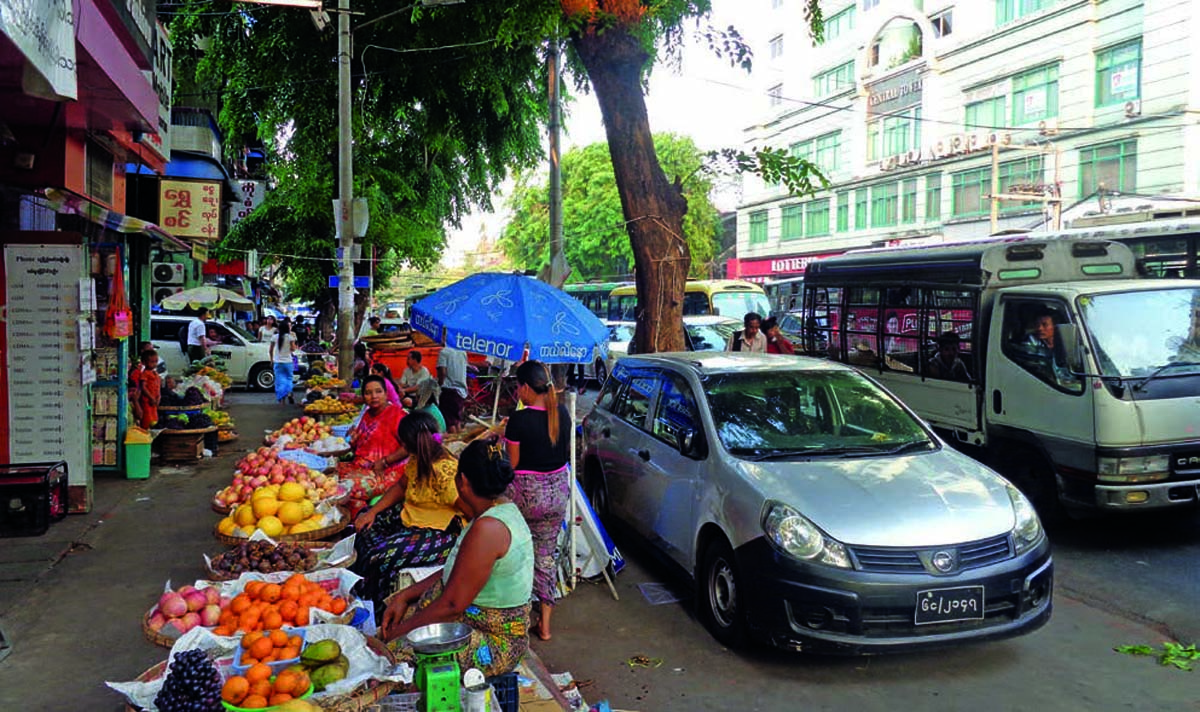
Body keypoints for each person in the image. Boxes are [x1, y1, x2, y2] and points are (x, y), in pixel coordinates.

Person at [382, 435, 533, 677]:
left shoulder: (488, 529)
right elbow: (458, 570)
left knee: (395, 661)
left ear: (462, 481)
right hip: (466, 620)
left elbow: (453, 605)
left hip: (493, 642)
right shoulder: (497, 509)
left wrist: (397, 637)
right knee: (397, 621)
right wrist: (405, 596)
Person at [353, 411, 463, 614]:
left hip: (442, 531)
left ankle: (377, 610)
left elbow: (468, 510)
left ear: (408, 444)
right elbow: (401, 487)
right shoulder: (417, 459)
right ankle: (361, 588)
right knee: (363, 520)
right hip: (411, 518)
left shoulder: (446, 471)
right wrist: (373, 512)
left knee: (381, 556)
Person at [502, 360, 570, 641]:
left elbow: (513, 465)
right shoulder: (562, 413)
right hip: (557, 493)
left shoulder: (518, 420)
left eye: (518, 388)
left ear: (527, 387)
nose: (517, 393)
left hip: (527, 496)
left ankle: (515, 617)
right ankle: (545, 626)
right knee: (545, 556)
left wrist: (502, 442)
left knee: (516, 553)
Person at [339, 375, 408, 516]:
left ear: (386, 393)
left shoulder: (397, 415)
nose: (374, 396)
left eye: (378, 391)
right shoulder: (367, 414)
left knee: (343, 488)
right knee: (330, 474)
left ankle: (361, 520)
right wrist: (353, 442)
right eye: (368, 393)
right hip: (362, 467)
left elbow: (409, 446)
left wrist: (385, 461)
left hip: (388, 472)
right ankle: (360, 522)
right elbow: (362, 446)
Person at [437, 345, 469, 434]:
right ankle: (459, 442)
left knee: (449, 422)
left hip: (449, 390)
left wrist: (439, 383)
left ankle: (454, 443)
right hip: (461, 391)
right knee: (457, 420)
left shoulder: (444, 352)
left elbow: (442, 372)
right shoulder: (463, 351)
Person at [270, 321, 298, 405]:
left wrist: (271, 360)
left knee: (279, 380)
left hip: (278, 362)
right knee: (289, 379)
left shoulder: (274, 337)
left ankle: (281, 399)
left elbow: (270, 350)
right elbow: (293, 349)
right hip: (288, 362)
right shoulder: (290, 337)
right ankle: (289, 392)